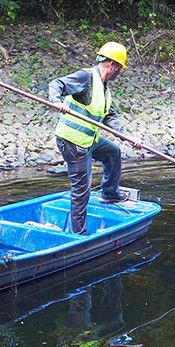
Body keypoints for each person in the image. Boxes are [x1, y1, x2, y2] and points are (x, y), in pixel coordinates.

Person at [48, 41, 140, 236]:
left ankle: (109, 193)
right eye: (120, 69)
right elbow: (57, 84)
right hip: (73, 143)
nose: (119, 73)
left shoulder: (104, 87)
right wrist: (56, 101)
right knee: (82, 190)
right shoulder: (86, 77)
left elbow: (109, 116)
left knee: (112, 152)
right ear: (112, 65)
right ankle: (78, 235)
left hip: (88, 140)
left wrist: (127, 136)